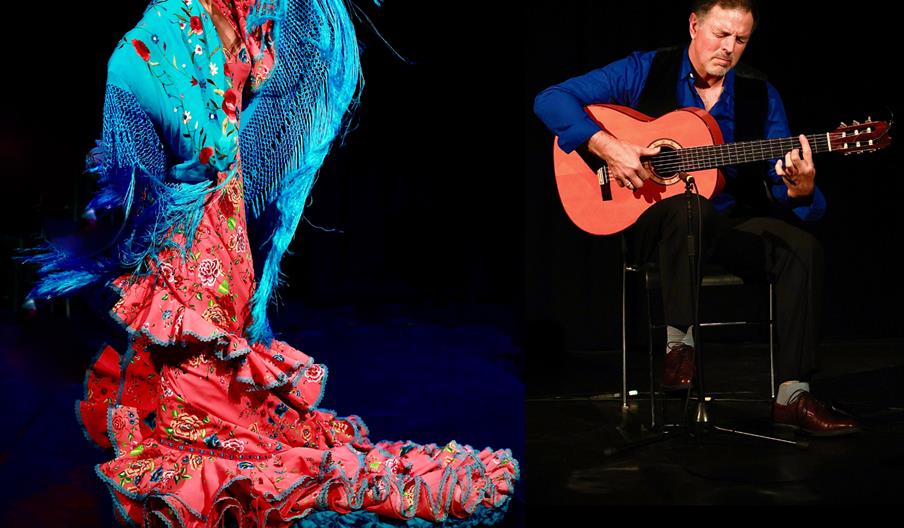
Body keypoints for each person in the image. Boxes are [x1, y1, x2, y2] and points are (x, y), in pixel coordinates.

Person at [23, 0, 518, 526]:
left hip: (220, 232)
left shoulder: (250, 21)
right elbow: (144, 125)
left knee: (216, 396)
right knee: (188, 383)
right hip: (184, 238)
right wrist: (121, 215)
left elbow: (248, 109)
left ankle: (203, 441)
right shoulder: (156, 42)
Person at [533, 0, 859, 436]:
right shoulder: (646, 70)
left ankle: (793, 395)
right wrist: (608, 145)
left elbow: (780, 180)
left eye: (740, 40)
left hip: (725, 224)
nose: (729, 48)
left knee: (800, 247)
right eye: (720, 34)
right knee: (689, 206)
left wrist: (800, 190)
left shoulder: (759, 93)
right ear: (693, 25)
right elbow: (550, 99)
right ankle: (678, 346)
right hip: (652, 224)